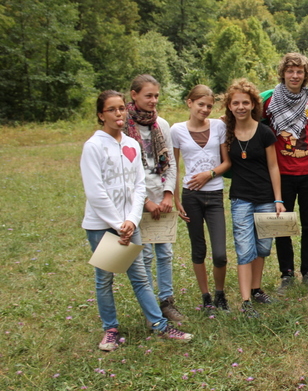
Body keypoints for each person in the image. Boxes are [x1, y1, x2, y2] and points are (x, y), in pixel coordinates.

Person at [82, 90, 192, 351]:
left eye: (121, 108)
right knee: (105, 279)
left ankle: (159, 325)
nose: (118, 113)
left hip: (130, 224)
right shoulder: (94, 146)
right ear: (101, 115)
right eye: (111, 109)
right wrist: (117, 224)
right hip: (102, 226)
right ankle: (110, 329)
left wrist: (131, 220)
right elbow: (95, 192)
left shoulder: (131, 145)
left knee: (140, 276)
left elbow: (138, 186)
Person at [124, 74, 185, 322]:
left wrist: (168, 194)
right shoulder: (124, 126)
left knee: (165, 253)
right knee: (145, 255)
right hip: (138, 201)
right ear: (134, 95)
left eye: (156, 95)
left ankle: (167, 301)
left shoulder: (162, 124)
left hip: (162, 198)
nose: (153, 100)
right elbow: (124, 171)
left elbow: (170, 162)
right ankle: (150, 305)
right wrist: (145, 202)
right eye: (148, 95)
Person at [262, 53, 308, 294]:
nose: (295, 75)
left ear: (305, 75)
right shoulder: (270, 101)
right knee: (282, 224)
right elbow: (250, 120)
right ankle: (286, 274)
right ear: (283, 73)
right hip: (281, 173)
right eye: (290, 71)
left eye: (299, 71)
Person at [224, 79, 286, 318]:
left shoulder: (265, 133)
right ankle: (246, 301)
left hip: (266, 198)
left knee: (262, 247)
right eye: (235, 103)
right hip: (241, 199)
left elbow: (273, 167)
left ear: (253, 105)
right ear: (230, 106)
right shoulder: (226, 133)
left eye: (245, 102)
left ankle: (256, 289)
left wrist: (278, 199)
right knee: (244, 249)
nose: (240, 107)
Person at [171, 85, 232, 313]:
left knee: (220, 254)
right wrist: (176, 199)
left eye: (209, 106)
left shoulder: (218, 126)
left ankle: (220, 294)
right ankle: (206, 297)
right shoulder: (177, 130)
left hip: (214, 195)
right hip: (191, 196)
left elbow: (227, 162)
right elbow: (174, 168)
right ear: (189, 103)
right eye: (200, 104)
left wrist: (210, 174)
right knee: (198, 249)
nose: (205, 109)